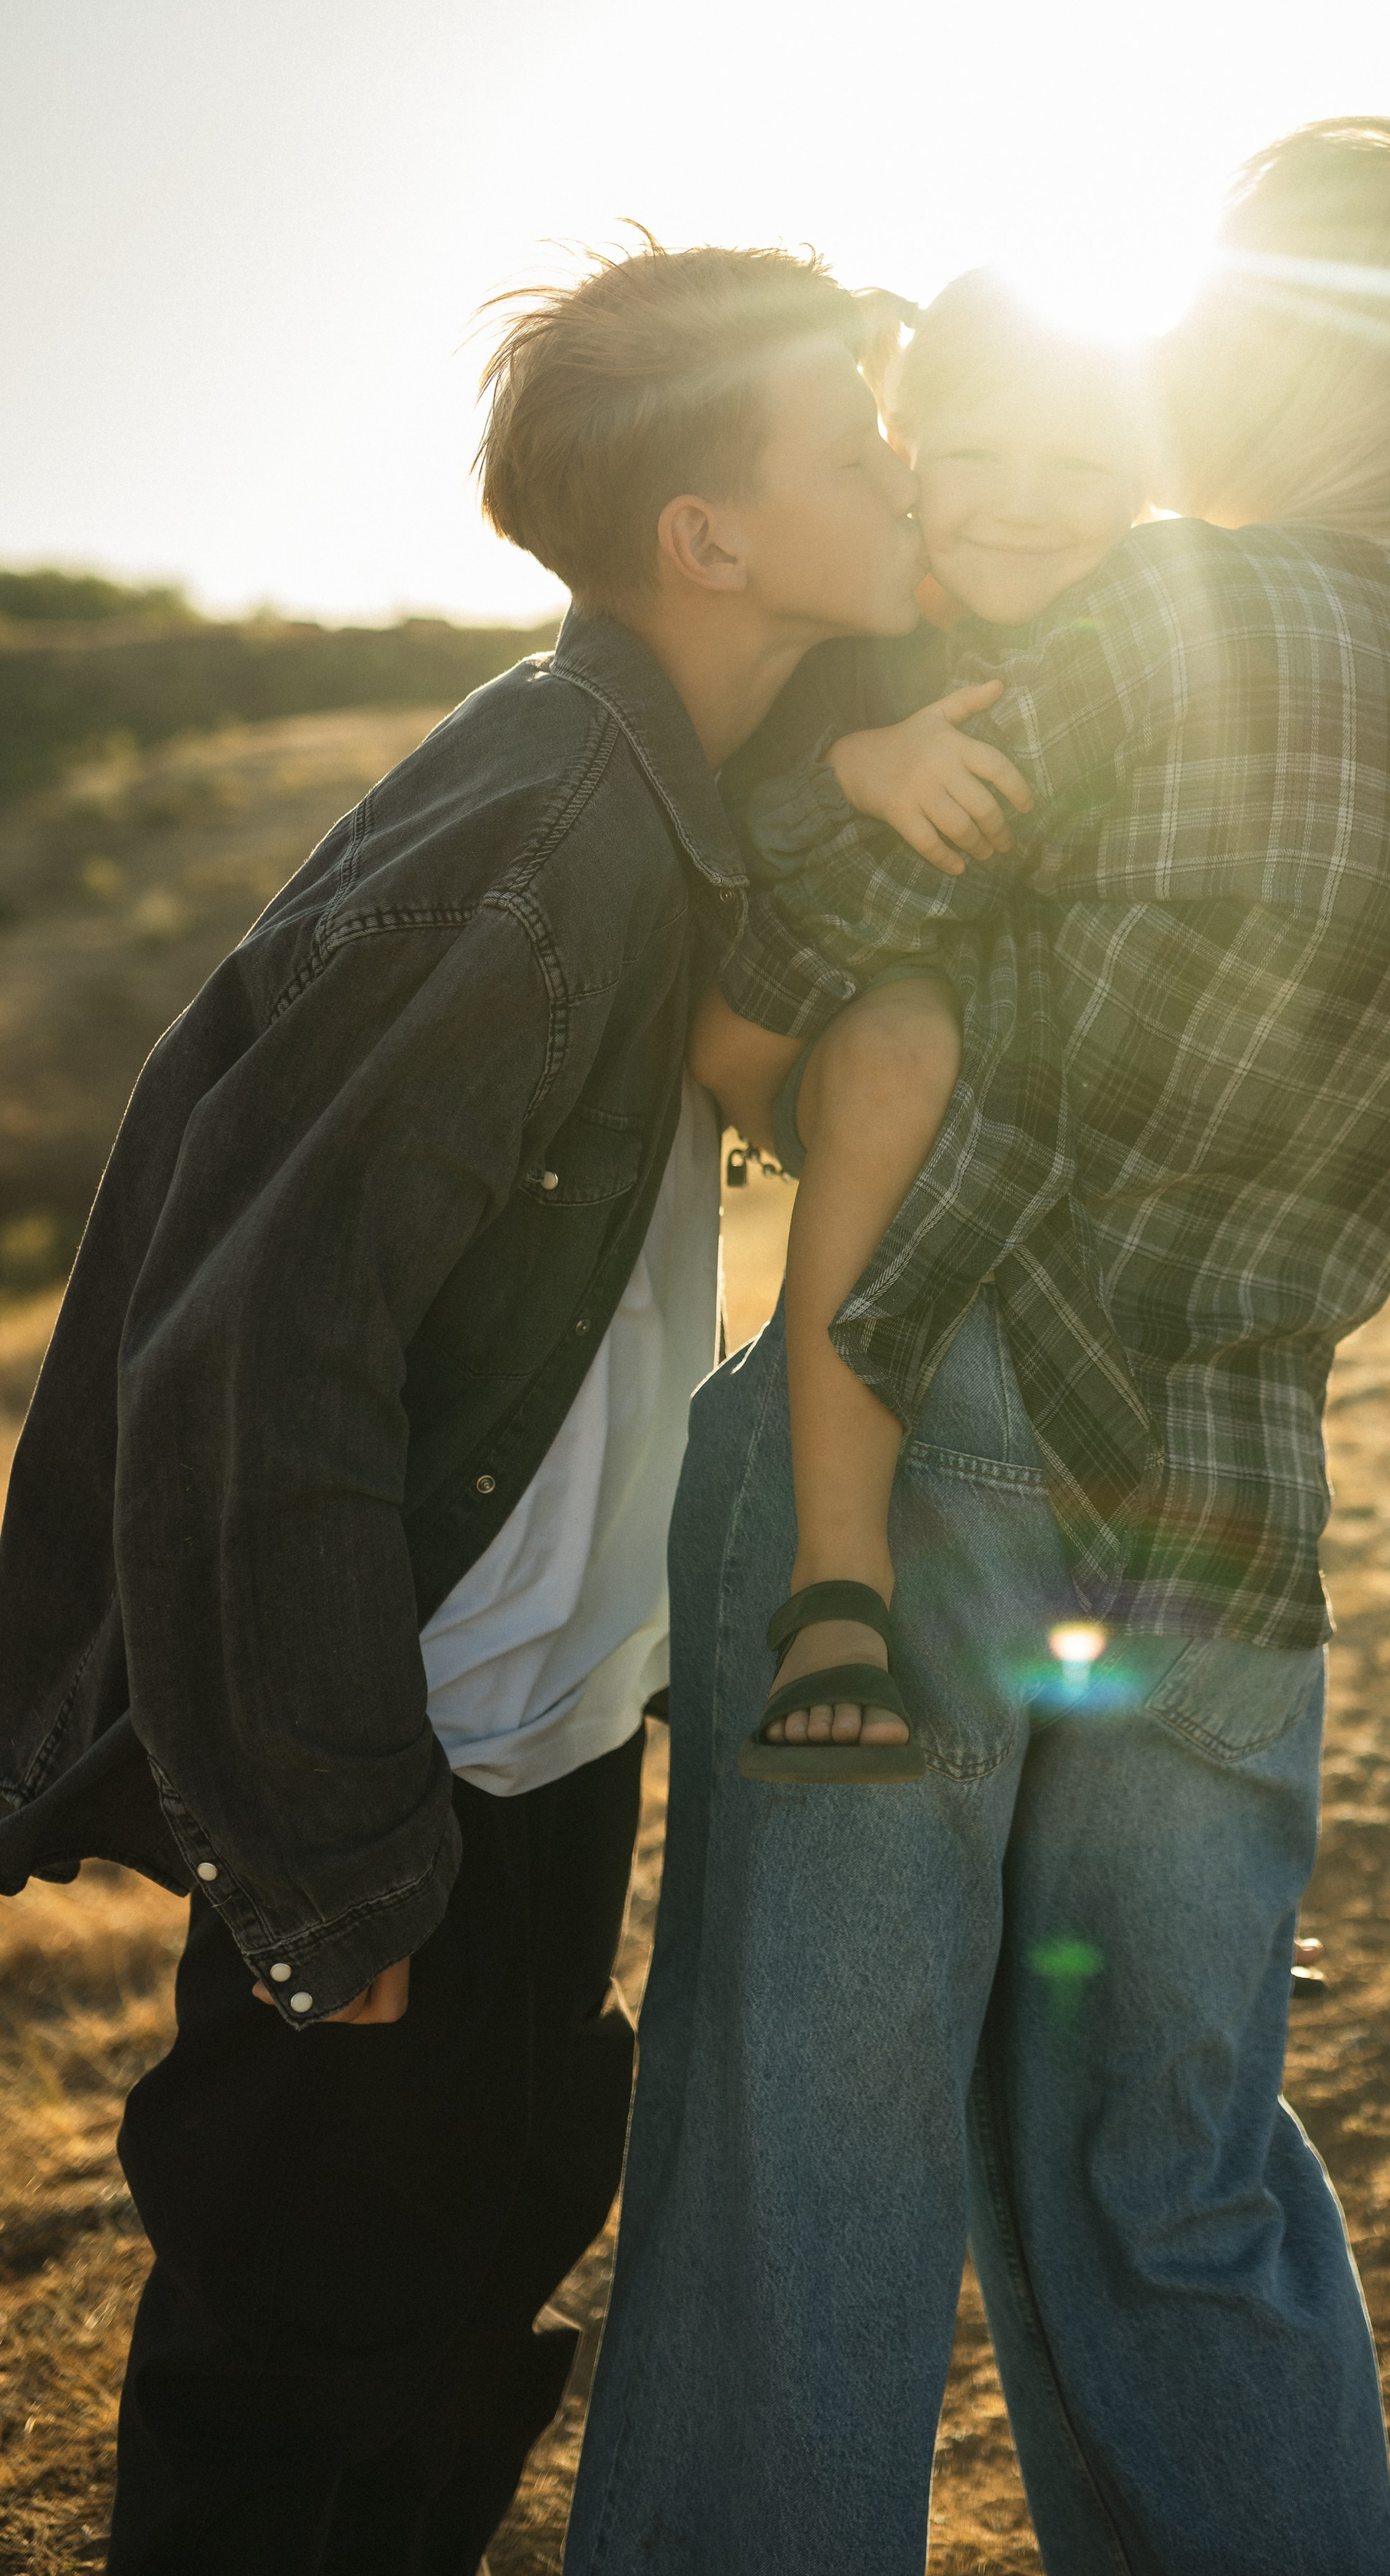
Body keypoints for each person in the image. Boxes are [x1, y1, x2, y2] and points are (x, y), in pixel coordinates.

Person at [566, 120, 1390, 2576]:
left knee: (803, 2184)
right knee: (1177, 2183)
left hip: (932, 1436)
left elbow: (788, 937)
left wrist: (820, 785)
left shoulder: (1182, 615)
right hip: (1239, 1531)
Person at [0, 241, 922, 2572]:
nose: (903, 469)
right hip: (405, 1749)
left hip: (534, 1726)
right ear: (705, 539)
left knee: (456, 2307)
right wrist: (327, 1863)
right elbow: (249, 1353)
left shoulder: (653, 775)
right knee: (306, 2393)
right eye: (855, 439)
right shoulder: (539, 839)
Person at [688, 271, 1148, 1778]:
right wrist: (854, 772)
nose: (1026, 504)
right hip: (853, 1045)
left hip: (1063, 1090)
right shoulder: (859, 630)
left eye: (1079, 465)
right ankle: (836, 1582)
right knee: (900, 1043)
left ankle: (1150, 1794)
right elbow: (730, 824)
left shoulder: (1151, 633)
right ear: (904, 454)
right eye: (977, 458)